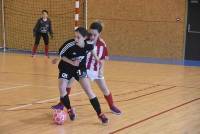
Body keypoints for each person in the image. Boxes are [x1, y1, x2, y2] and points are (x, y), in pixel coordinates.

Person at [52, 22, 121, 115]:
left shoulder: (102, 44)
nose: (92, 36)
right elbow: (70, 51)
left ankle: (112, 106)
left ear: (99, 34)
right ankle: (62, 103)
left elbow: (103, 58)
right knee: (68, 83)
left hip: (95, 70)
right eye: (90, 34)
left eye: (94, 35)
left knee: (104, 89)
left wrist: (101, 70)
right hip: (83, 68)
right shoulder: (83, 40)